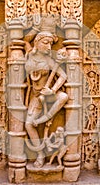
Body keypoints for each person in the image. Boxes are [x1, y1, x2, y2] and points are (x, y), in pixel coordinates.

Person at [24, 31, 68, 168]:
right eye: (45, 42)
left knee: (64, 96)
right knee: (28, 124)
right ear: (36, 42)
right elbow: (25, 42)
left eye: (51, 44)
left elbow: (63, 76)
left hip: (47, 95)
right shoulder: (28, 56)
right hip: (36, 96)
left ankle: (46, 117)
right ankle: (40, 154)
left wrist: (52, 90)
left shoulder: (49, 61)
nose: (49, 47)